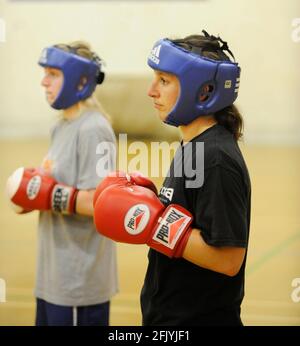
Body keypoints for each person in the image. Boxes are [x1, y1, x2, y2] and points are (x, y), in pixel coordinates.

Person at [92, 30, 251, 326]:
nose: (151, 91)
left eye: (164, 81)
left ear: (202, 91)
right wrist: (154, 207)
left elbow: (229, 259)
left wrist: (152, 223)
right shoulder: (193, 143)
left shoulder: (216, 158)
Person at [6, 41, 118, 326]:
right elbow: (55, 189)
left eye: (53, 74)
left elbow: (101, 203)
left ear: (79, 80)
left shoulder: (95, 129)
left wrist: (47, 194)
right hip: (52, 278)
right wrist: (30, 194)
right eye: (46, 73)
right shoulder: (60, 126)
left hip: (79, 284)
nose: (44, 81)